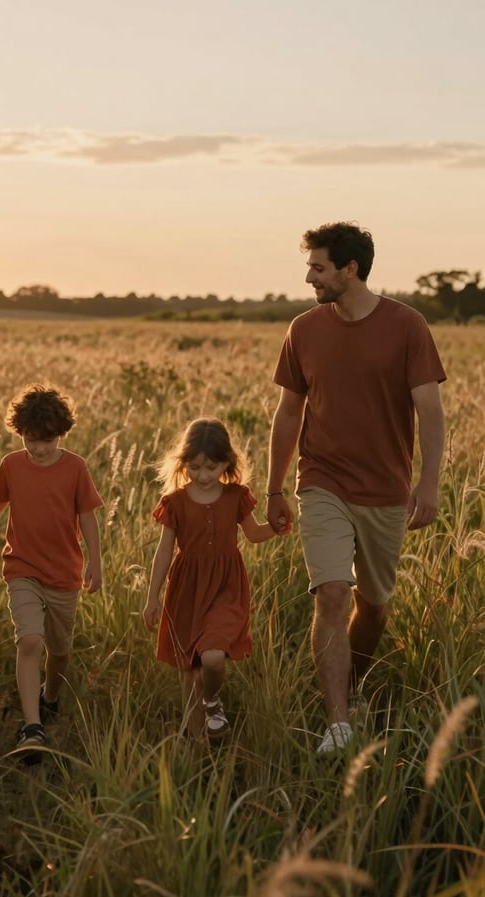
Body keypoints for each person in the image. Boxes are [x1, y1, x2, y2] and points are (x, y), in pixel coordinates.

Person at [266, 222, 446, 754]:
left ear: (350, 269)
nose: (309, 277)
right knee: (331, 593)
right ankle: (339, 723)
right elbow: (288, 412)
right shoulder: (303, 330)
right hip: (321, 480)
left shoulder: (407, 326)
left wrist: (429, 484)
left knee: (373, 606)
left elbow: (430, 413)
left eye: (318, 267)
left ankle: (356, 685)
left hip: (386, 490)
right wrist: (275, 489)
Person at [0, 384, 103, 759]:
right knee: (30, 641)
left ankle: (50, 696)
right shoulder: (12, 465)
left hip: (64, 573)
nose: (39, 448)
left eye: (47, 441)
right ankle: (32, 728)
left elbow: (88, 516)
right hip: (22, 568)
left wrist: (95, 561)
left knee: (59, 651)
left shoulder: (75, 467)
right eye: (31, 440)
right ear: (20, 433)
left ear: (62, 434)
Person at [143, 418, 288, 740]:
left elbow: (252, 534)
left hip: (226, 587)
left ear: (226, 463)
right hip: (187, 590)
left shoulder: (236, 497)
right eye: (194, 467)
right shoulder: (176, 503)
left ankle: (212, 702)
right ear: (184, 463)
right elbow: (164, 552)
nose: (203, 475)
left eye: (211, 467)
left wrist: (275, 527)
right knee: (190, 672)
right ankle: (197, 748)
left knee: (211, 657)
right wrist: (152, 597)